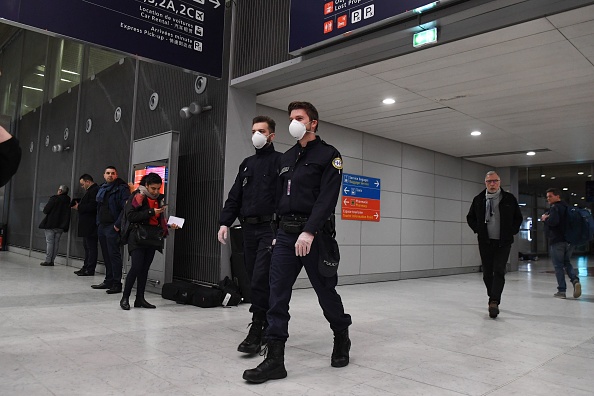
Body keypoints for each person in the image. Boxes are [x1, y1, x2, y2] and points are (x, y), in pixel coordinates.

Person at [243, 101, 352, 384]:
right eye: (291, 118)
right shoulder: (286, 158)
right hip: (286, 235)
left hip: (314, 236)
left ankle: (341, 335)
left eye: (299, 118)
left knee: (326, 293)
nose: (294, 122)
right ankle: (275, 359)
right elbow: (279, 198)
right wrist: (277, 231)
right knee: (276, 294)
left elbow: (327, 198)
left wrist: (310, 231)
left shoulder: (330, 155)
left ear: (313, 123)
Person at [218, 115, 282, 354]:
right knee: (253, 279)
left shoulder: (280, 162)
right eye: (254, 130)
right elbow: (235, 196)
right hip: (248, 230)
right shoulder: (246, 164)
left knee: (262, 278)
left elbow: (284, 198)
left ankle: (259, 327)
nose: (256, 134)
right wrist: (225, 222)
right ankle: (264, 322)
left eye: (261, 131)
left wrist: (280, 228)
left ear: (271, 136)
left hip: (269, 229)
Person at [466, 171, 523, 319]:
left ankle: (494, 301)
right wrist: (477, 229)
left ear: (499, 182)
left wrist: (511, 231)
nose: (492, 184)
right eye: (489, 181)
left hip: (503, 242)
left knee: (499, 270)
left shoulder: (509, 198)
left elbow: (518, 218)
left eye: (495, 181)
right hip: (485, 241)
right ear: (485, 183)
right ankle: (493, 296)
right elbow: (470, 217)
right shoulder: (478, 199)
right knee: (487, 273)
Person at [120, 172, 178, 310]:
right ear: (146, 185)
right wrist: (151, 212)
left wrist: (169, 225)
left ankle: (140, 298)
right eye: (153, 188)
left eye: (158, 188)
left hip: (152, 237)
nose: (156, 191)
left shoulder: (159, 199)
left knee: (145, 269)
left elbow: (159, 219)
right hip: (137, 237)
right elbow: (131, 215)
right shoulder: (138, 195)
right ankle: (125, 298)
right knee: (136, 267)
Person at [92, 166, 130, 294]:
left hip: (112, 226)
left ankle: (116, 283)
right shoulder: (102, 188)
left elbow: (125, 208)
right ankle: (108, 280)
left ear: (116, 175)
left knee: (114, 255)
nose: (110, 175)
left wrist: (117, 225)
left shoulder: (122, 188)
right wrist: (98, 223)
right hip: (102, 225)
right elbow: (99, 207)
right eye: (108, 173)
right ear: (104, 175)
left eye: (113, 173)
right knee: (106, 255)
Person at [541, 188, 581, 299]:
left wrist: (545, 219)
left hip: (557, 241)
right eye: (547, 196)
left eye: (550, 196)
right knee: (566, 262)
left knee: (558, 265)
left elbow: (553, 222)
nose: (548, 198)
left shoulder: (555, 208)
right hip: (569, 241)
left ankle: (561, 291)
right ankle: (575, 280)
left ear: (557, 196)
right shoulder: (568, 208)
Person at [72, 174, 99, 276]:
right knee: (87, 247)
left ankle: (90, 268)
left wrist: (79, 207)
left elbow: (93, 206)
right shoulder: (91, 191)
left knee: (91, 247)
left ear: (88, 182)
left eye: (83, 184)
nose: (82, 187)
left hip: (90, 225)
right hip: (88, 225)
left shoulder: (94, 190)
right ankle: (86, 266)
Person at [39, 185, 71, 266]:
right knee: (56, 242)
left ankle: (48, 260)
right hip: (61, 225)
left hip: (51, 224)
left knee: (50, 242)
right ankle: (52, 260)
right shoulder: (68, 200)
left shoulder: (54, 198)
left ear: (60, 191)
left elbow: (46, 210)